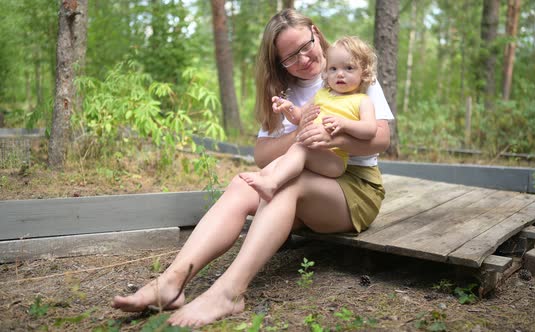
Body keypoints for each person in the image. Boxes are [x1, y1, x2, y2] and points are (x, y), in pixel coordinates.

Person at [111, 8, 394, 328]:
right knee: (243, 182)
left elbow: (381, 139)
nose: (302, 60)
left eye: (304, 47)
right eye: (290, 57)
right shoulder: (282, 92)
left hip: (352, 190)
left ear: (316, 33)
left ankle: (229, 293)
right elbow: (262, 154)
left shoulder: (349, 68)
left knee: (287, 184)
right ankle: (172, 282)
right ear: (278, 61)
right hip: (304, 181)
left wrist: (329, 137)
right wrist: (299, 134)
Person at [239, 36, 379, 202]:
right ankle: (266, 181)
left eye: (348, 68)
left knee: (300, 148)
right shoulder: (321, 94)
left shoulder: (362, 100)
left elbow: (370, 130)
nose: (340, 74)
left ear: (364, 72)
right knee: (293, 152)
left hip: (334, 160)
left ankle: (271, 184)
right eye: (333, 69)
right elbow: (300, 116)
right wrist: (288, 108)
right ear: (326, 72)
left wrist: (344, 124)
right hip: (313, 152)